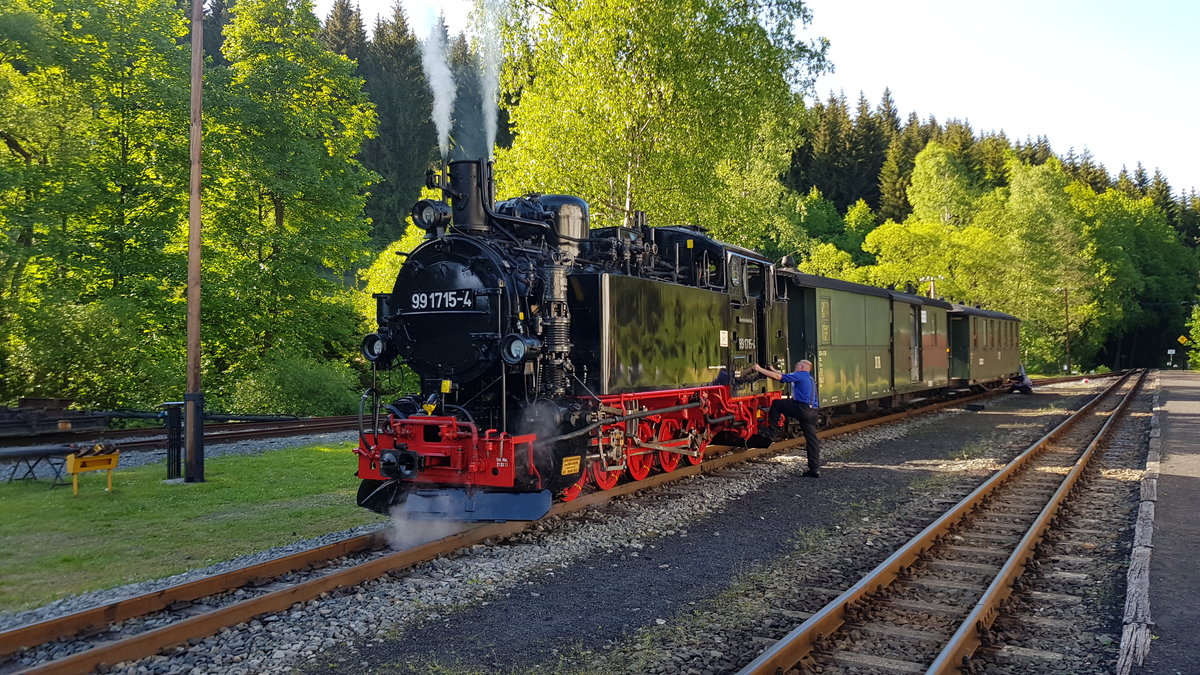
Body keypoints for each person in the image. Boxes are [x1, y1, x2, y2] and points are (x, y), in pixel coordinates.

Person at [753, 360, 821, 477]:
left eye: (796, 365)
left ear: (801, 367)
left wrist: (759, 369)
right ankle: (814, 469)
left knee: (777, 404)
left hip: (801, 409)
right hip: (813, 412)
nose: (795, 366)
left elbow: (779, 377)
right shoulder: (809, 377)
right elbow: (785, 375)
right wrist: (773, 369)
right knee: (812, 441)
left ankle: (772, 432)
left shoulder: (800, 375)